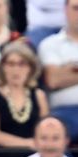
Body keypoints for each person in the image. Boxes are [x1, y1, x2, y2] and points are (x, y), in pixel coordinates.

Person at [0, 42, 49, 157]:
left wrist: (36, 145)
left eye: (22, 64)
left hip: (35, 155)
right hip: (5, 156)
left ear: (30, 68)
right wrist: (28, 143)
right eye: (11, 64)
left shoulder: (39, 95)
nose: (16, 69)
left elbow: (45, 130)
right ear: (3, 67)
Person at [39, 0, 78, 142]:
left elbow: (60, 77)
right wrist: (60, 74)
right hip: (64, 112)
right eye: (76, 8)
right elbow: (53, 80)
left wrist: (71, 69)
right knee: (54, 133)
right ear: (65, 10)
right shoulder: (50, 44)